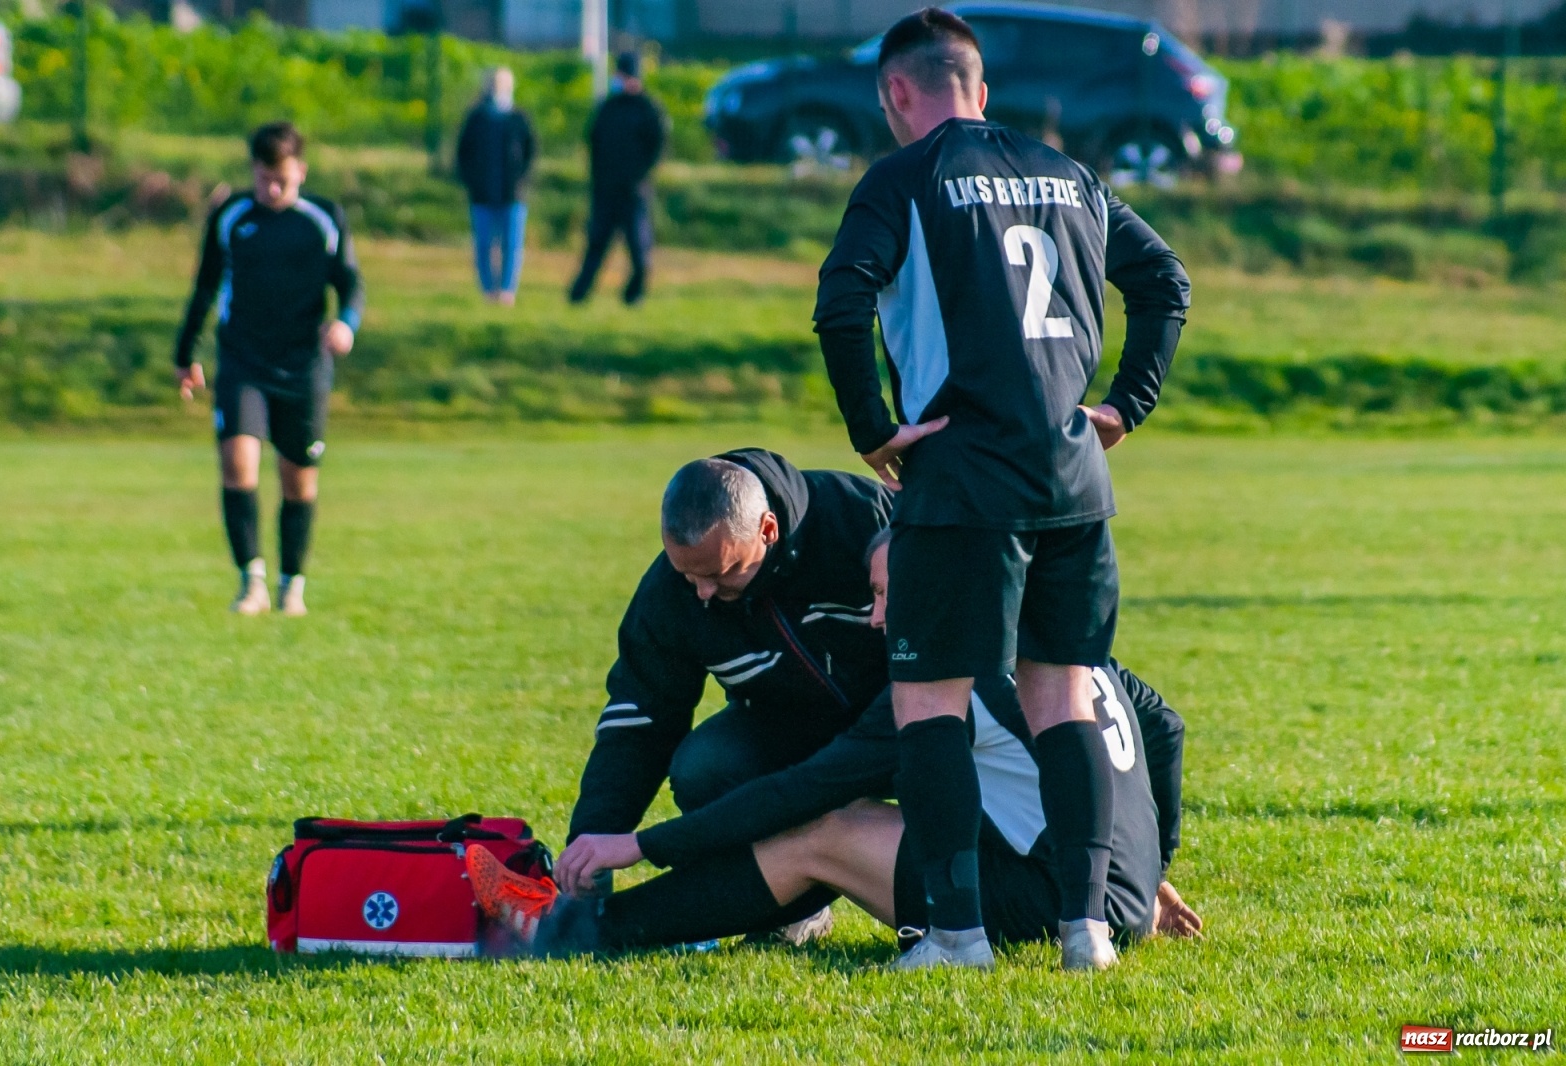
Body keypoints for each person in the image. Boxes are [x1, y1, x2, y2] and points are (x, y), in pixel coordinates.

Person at [811, 9, 1191, 969]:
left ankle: (958, 935)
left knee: (928, 705)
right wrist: (1123, 407)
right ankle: (1086, 931)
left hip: (962, 479)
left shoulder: (903, 176)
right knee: (1061, 696)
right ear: (980, 88)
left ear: (898, 92)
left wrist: (873, 430)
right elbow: (1165, 283)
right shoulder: (1069, 173)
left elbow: (842, 297)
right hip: (1074, 479)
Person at [468, 529, 1201, 960]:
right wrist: (1144, 866)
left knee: (817, 832)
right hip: (1103, 892)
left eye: (886, 596)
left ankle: (585, 933)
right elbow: (1161, 727)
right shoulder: (1053, 643)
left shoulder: (947, 682)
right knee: (857, 815)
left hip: (1051, 902)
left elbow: (802, 790)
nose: (876, 619)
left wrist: (641, 845)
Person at [567, 449, 892, 939]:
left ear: (767, 530)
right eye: (687, 574)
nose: (700, 591)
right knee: (705, 765)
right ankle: (792, 906)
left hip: (899, 726)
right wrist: (592, 841)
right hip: (791, 734)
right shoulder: (672, 592)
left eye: (721, 574)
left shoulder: (862, 519)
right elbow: (639, 722)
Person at [175, 121, 364, 616]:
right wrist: (185, 353)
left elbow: (351, 284)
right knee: (238, 463)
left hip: (303, 367)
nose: (272, 189)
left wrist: (346, 323)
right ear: (253, 172)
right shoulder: (232, 216)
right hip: (243, 361)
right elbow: (205, 287)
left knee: (297, 479)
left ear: (300, 170)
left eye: (281, 179)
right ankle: (251, 583)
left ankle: (292, 584)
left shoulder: (323, 218)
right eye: (263, 179)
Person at [568, 51, 665, 306]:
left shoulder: (648, 109)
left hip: (633, 191)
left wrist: (640, 175)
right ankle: (578, 294)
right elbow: (593, 142)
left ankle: (634, 294)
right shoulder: (608, 108)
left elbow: (657, 147)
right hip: (605, 190)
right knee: (596, 243)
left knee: (638, 247)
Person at [456, 67, 536, 305]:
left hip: (512, 193)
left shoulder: (519, 118)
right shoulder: (477, 118)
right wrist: (472, 181)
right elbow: (464, 154)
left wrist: (522, 179)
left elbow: (530, 152)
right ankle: (488, 290)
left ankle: (507, 291)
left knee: (511, 244)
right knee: (483, 244)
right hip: (482, 194)